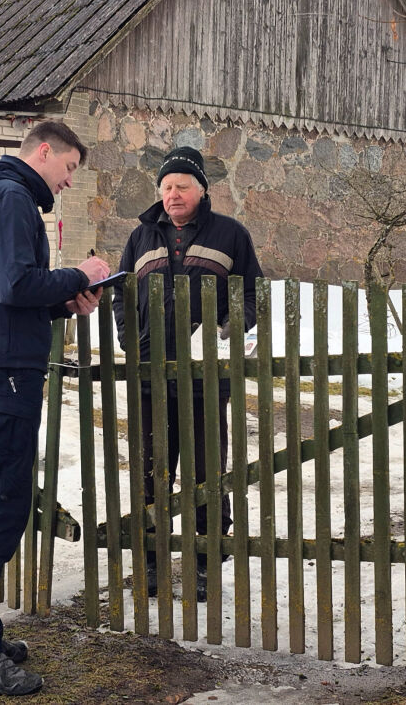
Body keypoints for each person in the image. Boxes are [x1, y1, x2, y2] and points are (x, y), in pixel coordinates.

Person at [0, 121, 109, 696]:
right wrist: (80, 275)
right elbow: (16, 285)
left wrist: (62, 300)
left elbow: (6, 292)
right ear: (44, 151)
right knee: (1, 506)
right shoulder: (12, 197)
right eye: (68, 169)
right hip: (7, 371)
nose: (67, 183)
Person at [113, 145, 263, 603]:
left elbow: (252, 296)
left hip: (205, 380)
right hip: (149, 377)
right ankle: (152, 560)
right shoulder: (140, 238)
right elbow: (121, 294)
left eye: (182, 186)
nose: (173, 194)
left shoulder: (231, 235)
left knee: (205, 473)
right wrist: (129, 341)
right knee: (150, 471)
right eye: (166, 187)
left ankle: (204, 561)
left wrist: (228, 332)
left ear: (202, 190)